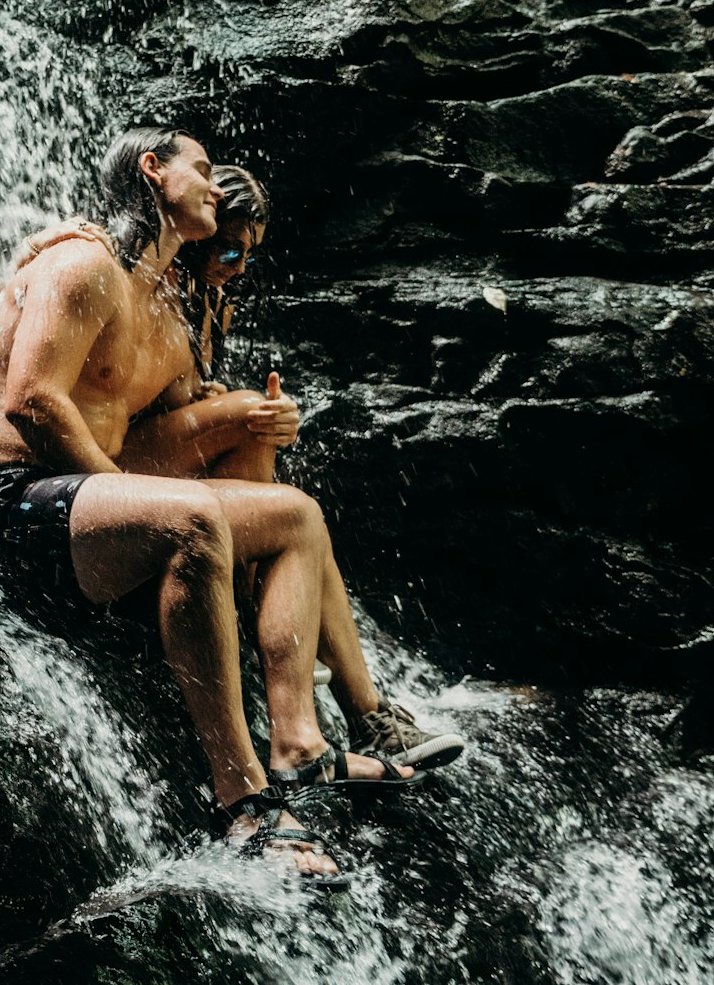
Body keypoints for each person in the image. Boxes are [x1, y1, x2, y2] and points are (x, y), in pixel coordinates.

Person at [0, 127, 418, 884]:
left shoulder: (158, 302)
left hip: (80, 510)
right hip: (6, 508)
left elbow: (178, 424)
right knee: (191, 518)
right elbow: (31, 400)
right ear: (151, 170)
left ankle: (300, 742)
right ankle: (244, 803)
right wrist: (125, 491)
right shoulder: (83, 260)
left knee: (296, 515)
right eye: (200, 168)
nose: (214, 182)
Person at [115, 164, 466, 774]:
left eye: (248, 254)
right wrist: (234, 409)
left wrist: (231, 406)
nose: (238, 265)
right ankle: (356, 705)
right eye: (228, 247)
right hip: (108, 476)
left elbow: (181, 395)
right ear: (198, 234)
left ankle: (368, 713)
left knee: (275, 468)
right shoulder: (149, 280)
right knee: (255, 422)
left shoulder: (209, 302)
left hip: (157, 466)